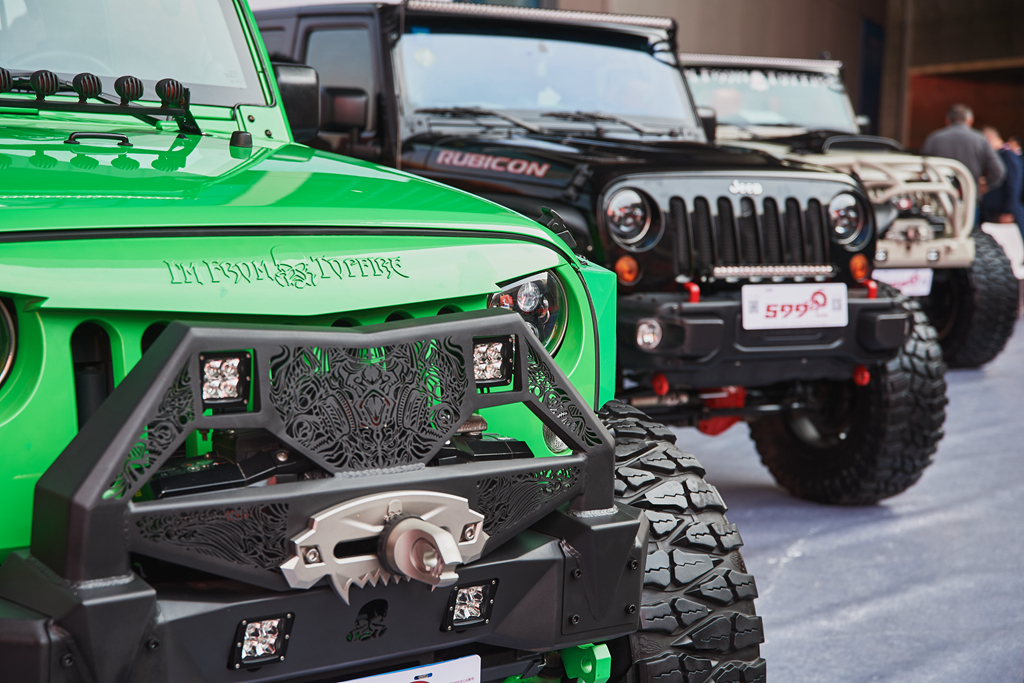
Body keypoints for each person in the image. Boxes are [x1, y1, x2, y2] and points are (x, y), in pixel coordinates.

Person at [921, 104, 1005, 199]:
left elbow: (923, 168)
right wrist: (985, 186)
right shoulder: (981, 140)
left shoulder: (934, 139)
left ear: (947, 120)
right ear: (970, 120)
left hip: (941, 197)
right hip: (969, 197)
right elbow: (998, 171)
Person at [980, 126, 1024, 238]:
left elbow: (1014, 184)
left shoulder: (1007, 155)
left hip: (1006, 213)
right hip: (997, 212)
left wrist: (1008, 211)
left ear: (989, 139)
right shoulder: (1000, 155)